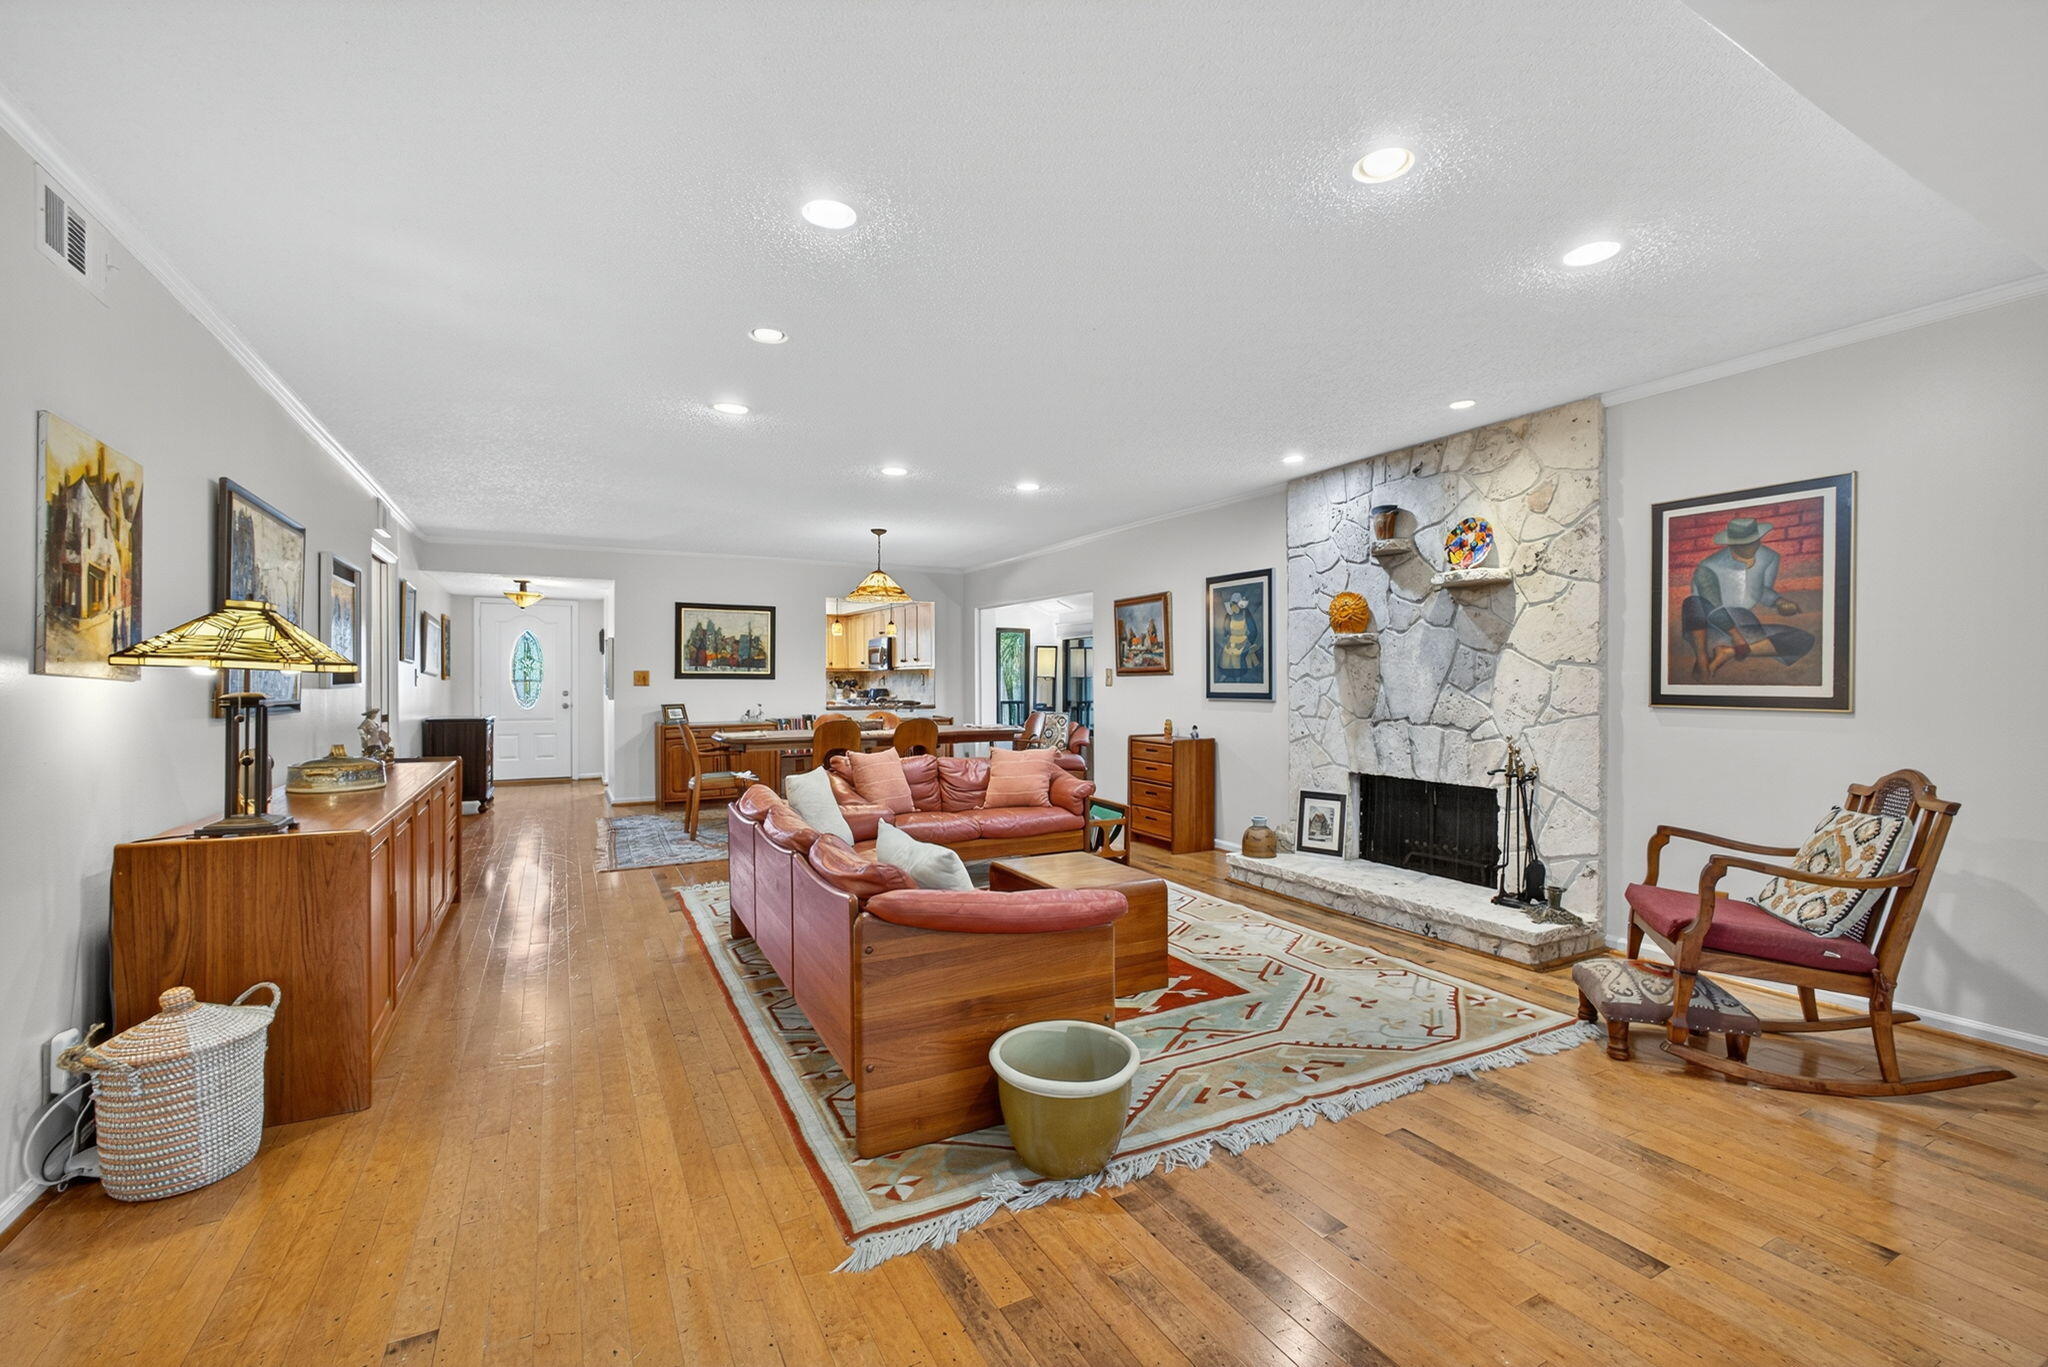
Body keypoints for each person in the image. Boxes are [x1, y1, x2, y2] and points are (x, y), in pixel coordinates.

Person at [1681, 516, 1815, 678]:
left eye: (1753, 541)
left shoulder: (1769, 557)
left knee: (1803, 638)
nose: (1750, 547)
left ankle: (1728, 652)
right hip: (1710, 624)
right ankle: (1702, 658)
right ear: (1731, 543)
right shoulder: (1708, 566)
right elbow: (1713, 605)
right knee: (1692, 601)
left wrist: (1779, 602)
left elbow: (1760, 591)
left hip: (1745, 621)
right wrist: (1736, 636)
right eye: (1743, 544)